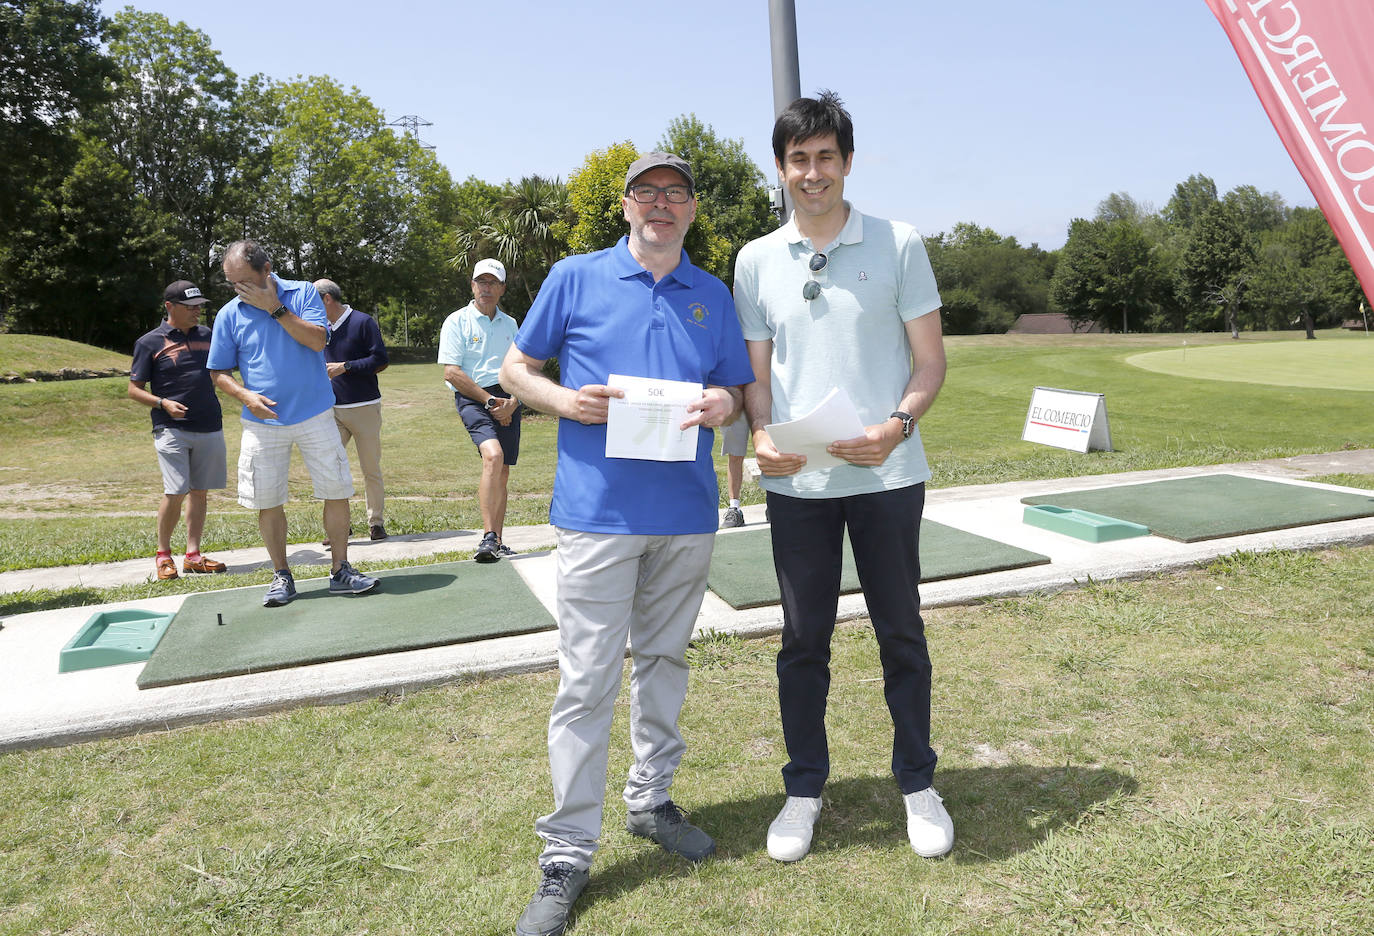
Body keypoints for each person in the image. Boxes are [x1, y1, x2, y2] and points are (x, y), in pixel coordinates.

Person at [499, 151, 753, 936]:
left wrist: (722, 403)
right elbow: (514, 369)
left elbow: (739, 392)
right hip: (596, 516)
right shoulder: (574, 276)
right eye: (647, 193)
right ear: (624, 205)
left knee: (667, 664)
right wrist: (564, 403)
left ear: (693, 210)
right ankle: (568, 852)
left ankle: (650, 802)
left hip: (684, 515)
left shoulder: (712, 294)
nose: (661, 205)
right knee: (586, 682)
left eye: (676, 194)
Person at [735, 91, 952, 863]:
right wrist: (759, 433)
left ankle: (918, 783)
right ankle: (803, 791)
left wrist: (897, 425)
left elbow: (931, 362)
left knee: (901, 633)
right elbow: (756, 375)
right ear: (782, 168)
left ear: (848, 162)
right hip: (799, 483)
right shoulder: (755, 258)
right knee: (803, 641)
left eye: (827, 156)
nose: (814, 171)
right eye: (800, 159)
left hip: (889, 476)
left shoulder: (899, 243)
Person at [207, 240, 378, 607]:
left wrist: (275, 309)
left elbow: (318, 342)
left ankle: (340, 570)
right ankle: (281, 575)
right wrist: (244, 396)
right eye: (231, 282)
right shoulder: (229, 314)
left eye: (245, 281)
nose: (239, 289)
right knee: (267, 501)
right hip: (261, 422)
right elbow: (218, 373)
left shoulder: (302, 294)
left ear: (267, 269)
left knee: (336, 490)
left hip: (316, 413)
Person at [127, 280, 229, 581]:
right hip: (170, 427)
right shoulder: (149, 342)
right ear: (169, 307)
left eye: (199, 306)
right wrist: (163, 403)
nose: (197, 311)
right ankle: (163, 556)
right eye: (190, 307)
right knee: (176, 489)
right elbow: (134, 390)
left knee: (199, 491)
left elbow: (221, 371)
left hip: (209, 423)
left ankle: (193, 555)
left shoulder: (209, 336)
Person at [437, 258, 522, 562]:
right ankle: (487, 537)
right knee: (493, 456)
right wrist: (489, 401)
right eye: (481, 282)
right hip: (472, 396)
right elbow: (452, 373)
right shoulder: (457, 321)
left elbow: (519, 368)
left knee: (502, 473)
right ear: (472, 286)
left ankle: (497, 541)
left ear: (502, 288)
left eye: (493, 283)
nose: (486, 288)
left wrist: (513, 400)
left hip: (507, 398)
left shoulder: (510, 323)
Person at [317, 278, 390, 542]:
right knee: (331, 468)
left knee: (370, 468)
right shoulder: (318, 327)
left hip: (365, 407)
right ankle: (339, 527)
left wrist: (345, 366)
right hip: (330, 410)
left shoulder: (362, 322)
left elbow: (380, 359)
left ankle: (376, 523)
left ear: (327, 299)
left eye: (313, 300)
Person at [719, 417, 749, 527]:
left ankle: (772, 503)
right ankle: (734, 508)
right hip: (735, 403)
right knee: (735, 453)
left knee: (769, 450)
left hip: (764, 401)